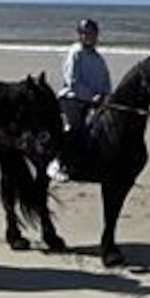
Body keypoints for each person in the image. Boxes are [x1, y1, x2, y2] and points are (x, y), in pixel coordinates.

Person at [49, 18, 112, 182]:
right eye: (86, 33)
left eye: (92, 33)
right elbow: (73, 81)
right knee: (74, 128)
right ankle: (58, 163)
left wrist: (106, 95)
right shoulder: (75, 53)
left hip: (96, 101)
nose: (90, 36)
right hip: (73, 99)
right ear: (80, 35)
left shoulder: (98, 58)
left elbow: (106, 80)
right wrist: (92, 97)